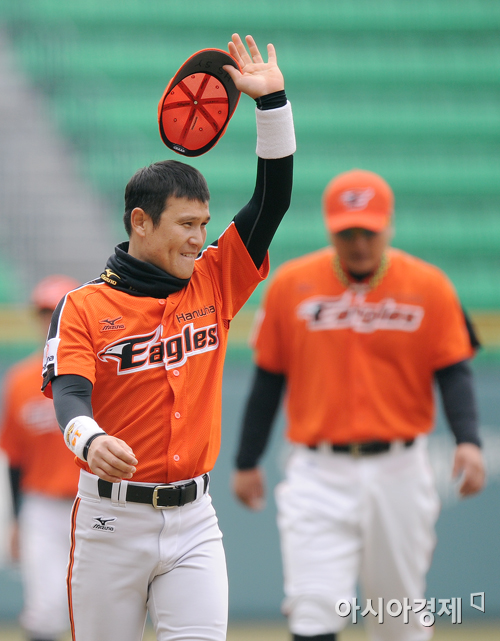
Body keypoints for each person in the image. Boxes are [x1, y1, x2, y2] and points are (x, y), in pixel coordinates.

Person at [40, 33, 295, 641]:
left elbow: (272, 200)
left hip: (195, 522)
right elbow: (71, 394)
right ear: (140, 222)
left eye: (203, 224)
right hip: (109, 522)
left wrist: (272, 105)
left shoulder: (214, 278)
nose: (197, 237)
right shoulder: (83, 305)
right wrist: (88, 435)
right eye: (186, 224)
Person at [232, 168, 486, 641]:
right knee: (312, 608)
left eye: (368, 231)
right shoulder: (292, 285)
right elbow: (268, 381)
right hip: (316, 470)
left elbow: (453, 370)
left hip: (400, 470)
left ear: (388, 226)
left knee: (397, 618)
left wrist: (469, 441)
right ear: (331, 230)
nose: (359, 243)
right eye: (347, 232)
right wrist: (246, 460)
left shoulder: (428, 285)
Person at [0, 275, 81, 641]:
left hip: (92, 502)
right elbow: (14, 459)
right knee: (45, 609)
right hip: (42, 506)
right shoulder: (19, 381)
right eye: (45, 311)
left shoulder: (100, 372)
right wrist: (16, 520)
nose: (49, 319)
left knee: (97, 606)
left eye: (57, 310)